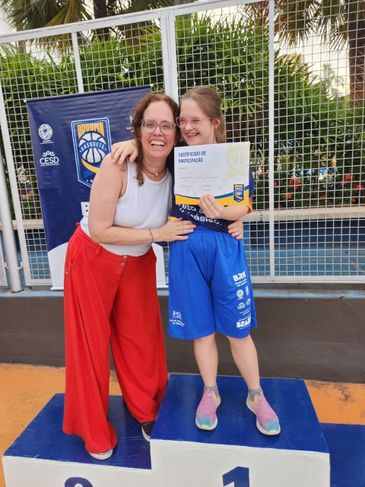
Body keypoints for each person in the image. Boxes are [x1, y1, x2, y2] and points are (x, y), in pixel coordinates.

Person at [111, 86, 280, 436]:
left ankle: (255, 394)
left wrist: (231, 215)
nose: (186, 127)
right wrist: (130, 144)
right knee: (201, 331)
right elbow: (148, 152)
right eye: (181, 120)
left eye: (195, 120)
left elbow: (244, 204)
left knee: (238, 331)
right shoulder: (175, 157)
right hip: (186, 249)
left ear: (214, 122)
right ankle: (210, 392)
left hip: (223, 250)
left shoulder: (232, 159)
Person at [62, 93, 196, 461]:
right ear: (138, 129)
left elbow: (215, 190)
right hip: (92, 258)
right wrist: (157, 236)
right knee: (90, 346)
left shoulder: (180, 170)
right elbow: (101, 229)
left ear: (177, 132)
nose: (158, 132)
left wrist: (234, 221)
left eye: (166, 125)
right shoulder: (116, 164)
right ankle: (92, 430)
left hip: (137, 263)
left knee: (143, 342)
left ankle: (148, 411)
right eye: (149, 124)